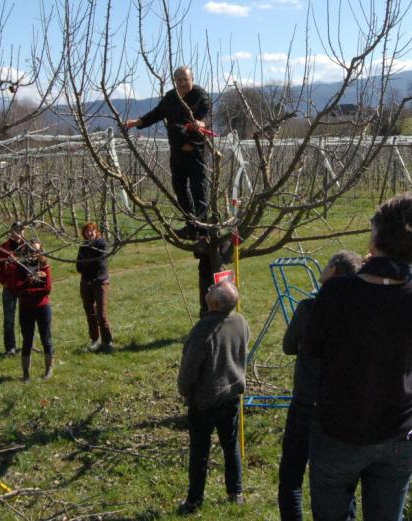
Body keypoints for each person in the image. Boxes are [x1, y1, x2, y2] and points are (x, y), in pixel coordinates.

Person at [302, 194, 412, 521]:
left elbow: (311, 348)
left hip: (341, 431)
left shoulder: (337, 293)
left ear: (375, 238)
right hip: (399, 432)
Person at [277, 250, 363, 521]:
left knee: (291, 477)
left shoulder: (309, 308)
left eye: (326, 264)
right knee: (341, 482)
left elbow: (288, 346)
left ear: (335, 271)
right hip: (343, 406)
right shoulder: (362, 313)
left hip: (307, 401)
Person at [176, 281, 249, 515]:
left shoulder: (203, 329)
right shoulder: (240, 321)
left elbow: (189, 369)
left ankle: (194, 502)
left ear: (215, 303)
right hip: (231, 395)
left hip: (205, 401)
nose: (207, 289)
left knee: (200, 452)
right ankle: (235, 492)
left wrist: (184, 389)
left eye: (211, 289)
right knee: (230, 444)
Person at [122, 66, 212, 239]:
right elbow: (157, 113)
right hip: (177, 152)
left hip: (195, 153)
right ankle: (191, 226)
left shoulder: (201, 96)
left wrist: (200, 124)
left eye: (185, 79)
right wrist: (136, 123)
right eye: (178, 80)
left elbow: (206, 117)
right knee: (180, 189)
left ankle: (203, 231)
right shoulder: (171, 97)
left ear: (192, 79)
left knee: (199, 190)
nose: (182, 83)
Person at [14, 240, 54, 381]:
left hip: (42, 307)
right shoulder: (20, 267)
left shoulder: (44, 266)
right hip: (26, 308)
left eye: (36, 250)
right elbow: (18, 287)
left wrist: (28, 290)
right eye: (31, 250)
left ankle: (49, 369)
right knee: (27, 340)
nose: (33, 253)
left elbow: (47, 289)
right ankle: (26, 372)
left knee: (46, 338)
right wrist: (31, 280)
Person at [0, 222, 29, 355]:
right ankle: (10, 347)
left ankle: (27, 345)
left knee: (27, 318)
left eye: (21, 230)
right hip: (9, 288)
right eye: (16, 230)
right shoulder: (3, 249)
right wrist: (3, 281)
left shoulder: (28, 247)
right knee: (9, 319)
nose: (18, 233)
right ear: (11, 232)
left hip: (25, 288)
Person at [76, 221, 114, 352]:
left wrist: (86, 263)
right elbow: (78, 267)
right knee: (90, 313)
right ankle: (94, 339)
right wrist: (86, 264)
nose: (89, 233)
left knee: (101, 313)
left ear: (96, 231)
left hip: (100, 282)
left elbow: (100, 265)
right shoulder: (83, 246)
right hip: (85, 282)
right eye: (87, 231)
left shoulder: (101, 244)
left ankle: (107, 341)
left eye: (91, 230)